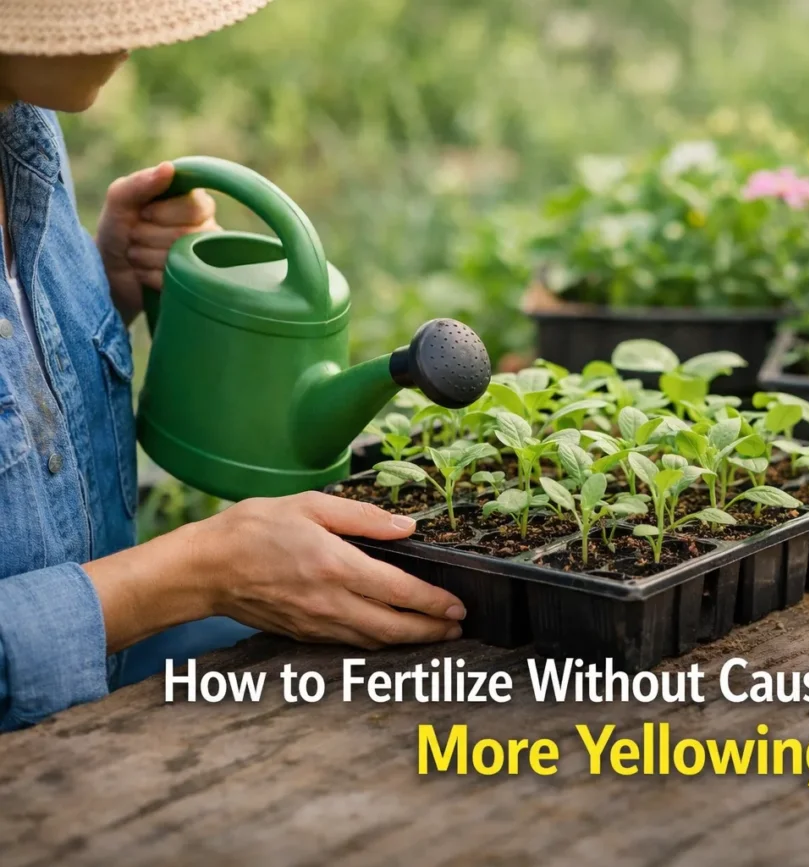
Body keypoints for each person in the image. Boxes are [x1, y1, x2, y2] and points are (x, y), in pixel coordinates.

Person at [0, 1, 466, 732]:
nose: (133, 31)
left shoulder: (21, 118)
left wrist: (106, 284)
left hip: (114, 671)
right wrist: (198, 573)